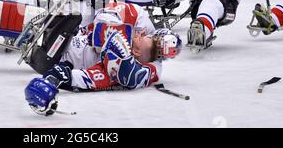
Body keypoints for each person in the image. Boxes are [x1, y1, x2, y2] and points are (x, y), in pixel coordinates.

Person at [24, 25, 181, 116]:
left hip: (52, 54)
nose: (140, 36)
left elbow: (130, 78)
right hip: (66, 34)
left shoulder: (115, 71)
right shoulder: (128, 37)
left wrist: (54, 78)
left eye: (150, 40)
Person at [27, 1, 156, 74]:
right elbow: (98, 25)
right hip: (56, 51)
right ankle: (27, 33)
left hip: (52, 59)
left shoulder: (120, 56)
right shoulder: (124, 50)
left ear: (137, 51)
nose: (140, 34)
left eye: (143, 38)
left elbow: (99, 29)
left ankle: (31, 39)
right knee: (62, 14)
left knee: (74, 18)